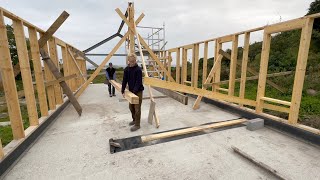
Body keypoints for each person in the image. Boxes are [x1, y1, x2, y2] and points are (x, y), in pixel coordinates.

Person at [121, 53, 144, 131]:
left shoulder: (138, 70)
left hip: (138, 91)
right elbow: (124, 80)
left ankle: (137, 124)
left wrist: (134, 92)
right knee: (131, 107)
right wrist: (122, 90)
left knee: (137, 108)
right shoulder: (126, 69)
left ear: (135, 60)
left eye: (134, 61)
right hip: (131, 91)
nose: (132, 63)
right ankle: (134, 120)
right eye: (131, 61)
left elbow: (138, 82)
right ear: (128, 61)